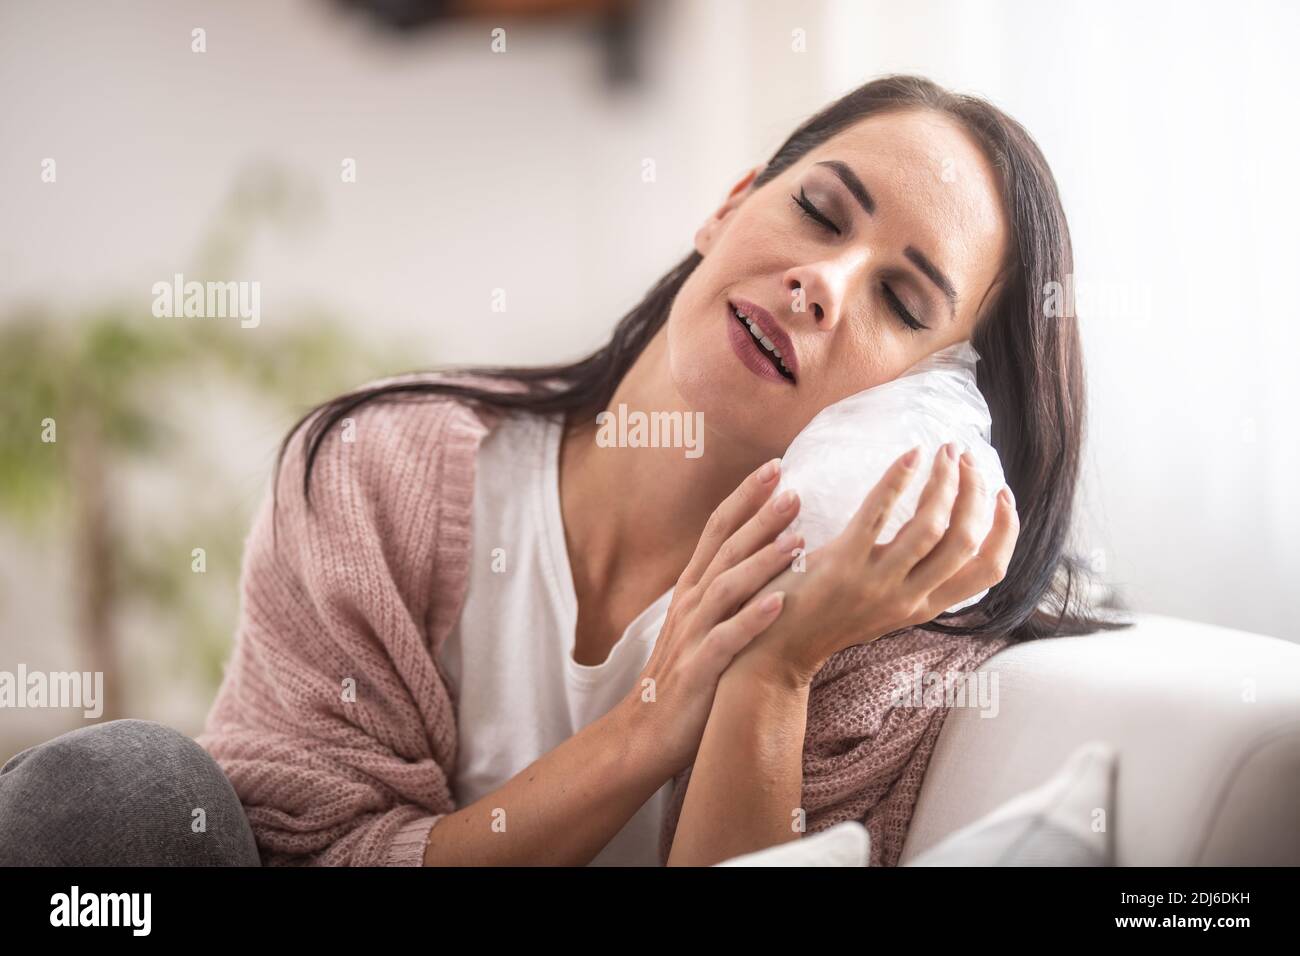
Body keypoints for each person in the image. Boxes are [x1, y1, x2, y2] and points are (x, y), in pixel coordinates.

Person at [0, 74, 1126, 868]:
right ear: (730, 203)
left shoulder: (879, 652)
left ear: (937, 404)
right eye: (817, 211)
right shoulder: (377, 476)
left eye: (898, 299)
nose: (823, 281)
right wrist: (644, 724)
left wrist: (773, 669)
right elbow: (316, 853)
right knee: (125, 790)